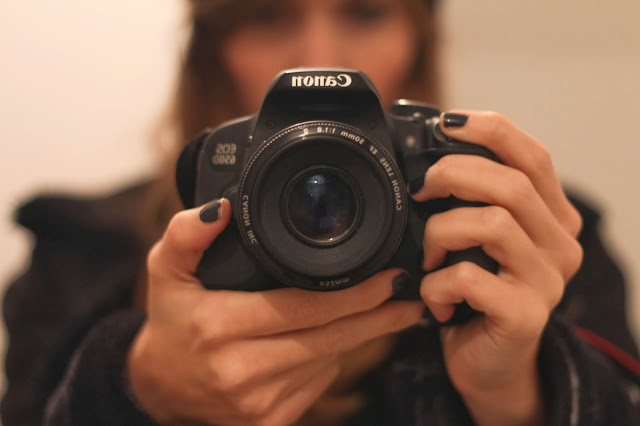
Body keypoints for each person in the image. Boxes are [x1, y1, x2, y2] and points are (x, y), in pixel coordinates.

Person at [3, 0, 640, 425]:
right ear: (212, 49)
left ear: (416, 41)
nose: (320, 54)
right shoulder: (77, 252)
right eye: (268, 14)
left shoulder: (520, 232)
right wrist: (137, 386)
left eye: (365, 11)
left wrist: (517, 394)